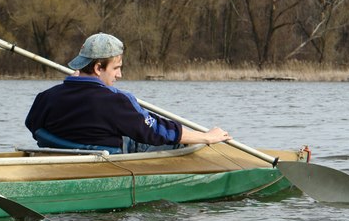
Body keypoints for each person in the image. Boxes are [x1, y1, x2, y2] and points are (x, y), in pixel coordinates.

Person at [25, 33, 232, 153]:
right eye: (116, 68)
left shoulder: (46, 97)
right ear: (98, 68)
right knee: (180, 144)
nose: (120, 74)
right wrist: (206, 137)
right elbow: (157, 131)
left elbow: (32, 125)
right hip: (109, 159)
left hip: (64, 156)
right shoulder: (116, 102)